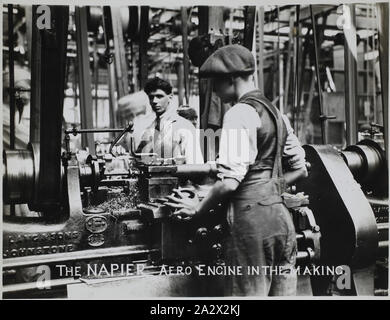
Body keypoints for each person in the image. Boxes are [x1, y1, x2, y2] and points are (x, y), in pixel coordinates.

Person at [165, 44, 307, 296]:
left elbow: (230, 182)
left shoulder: (239, 113)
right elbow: (300, 169)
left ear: (230, 79)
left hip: (252, 223)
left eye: (216, 83)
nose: (215, 92)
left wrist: (198, 208)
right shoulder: (277, 113)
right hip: (282, 220)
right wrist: (270, 188)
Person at [137, 77, 204, 164]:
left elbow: (195, 164)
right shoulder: (149, 129)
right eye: (151, 97)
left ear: (170, 97)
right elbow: (138, 157)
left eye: (159, 96)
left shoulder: (184, 127)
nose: (154, 101)